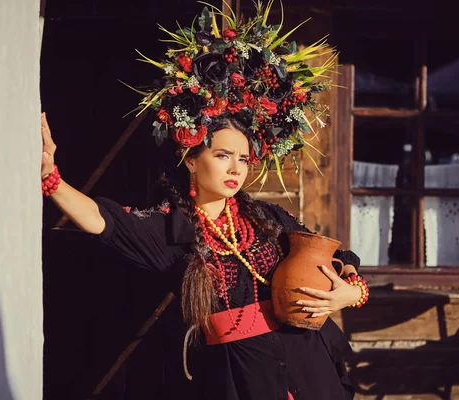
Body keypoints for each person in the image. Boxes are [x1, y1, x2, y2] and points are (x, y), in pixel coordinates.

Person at [41, 2, 369, 399]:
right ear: (192, 160)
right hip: (240, 377)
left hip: (309, 365)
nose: (236, 168)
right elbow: (102, 220)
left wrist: (352, 290)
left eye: (244, 159)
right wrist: (51, 178)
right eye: (222, 156)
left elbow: (333, 256)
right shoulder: (170, 227)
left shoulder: (269, 219)